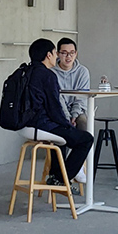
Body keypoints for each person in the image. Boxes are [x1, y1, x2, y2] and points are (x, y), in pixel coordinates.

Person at [25, 38, 93, 191]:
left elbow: (80, 98)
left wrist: (72, 116)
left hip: (27, 123)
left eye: (72, 53)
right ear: (50, 55)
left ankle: (65, 171)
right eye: (60, 52)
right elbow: (56, 104)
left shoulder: (26, 71)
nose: (67, 56)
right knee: (82, 139)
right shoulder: (49, 74)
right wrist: (66, 121)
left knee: (79, 126)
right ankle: (62, 177)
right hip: (45, 121)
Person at [52, 38, 91, 130]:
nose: (68, 56)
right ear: (57, 54)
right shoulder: (51, 72)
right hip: (58, 111)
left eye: (72, 53)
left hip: (78, 111)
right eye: (64, 53)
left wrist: (74, 115)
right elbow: (57, 98)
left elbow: (82, 97)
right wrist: (66, 117)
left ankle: (84, 144)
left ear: (76, 54)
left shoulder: (82, 71)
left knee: (83, 121)